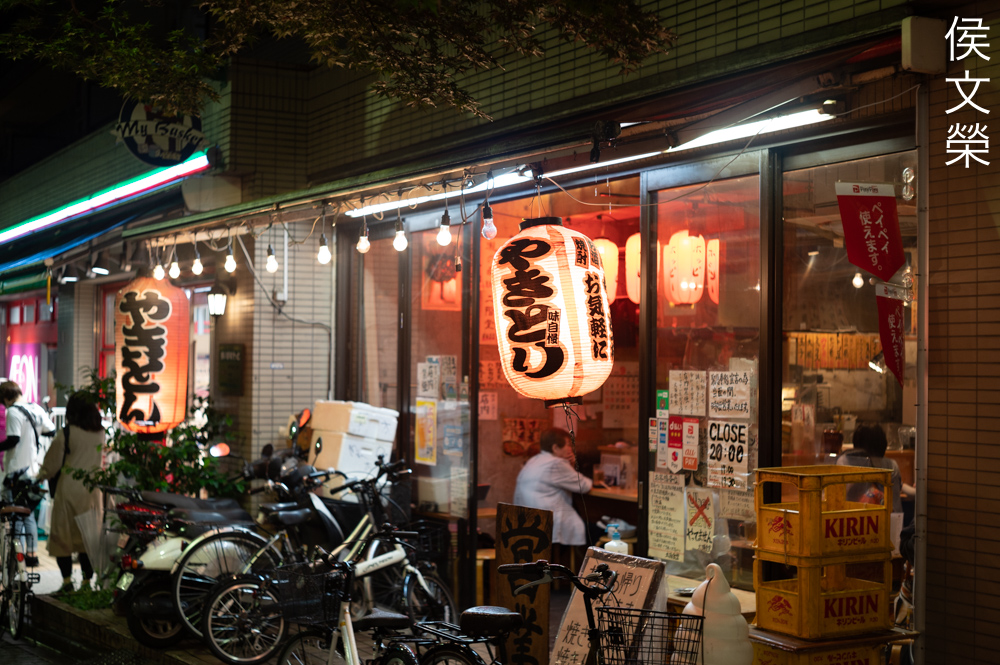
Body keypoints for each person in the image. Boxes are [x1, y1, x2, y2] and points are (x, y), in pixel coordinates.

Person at [37, 391, 105, 593]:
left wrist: (40, 475)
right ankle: (87, 583)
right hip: (92, 491)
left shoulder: (66, 433)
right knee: (87, 538)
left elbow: (51, 465)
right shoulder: (100, 433)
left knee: (63, 538)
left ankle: (67, 583)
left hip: (68, 490)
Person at [513, 429, 602, 546]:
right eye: (568, 445)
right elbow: (584, 486)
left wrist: (570, 465)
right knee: (600, 532)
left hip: (527, 521)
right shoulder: (556, 463)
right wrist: (570, 465)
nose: (570, 449)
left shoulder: (534, 460)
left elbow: (568, 480)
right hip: (548, 523)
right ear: (555, 448)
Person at [0, 380, 54, 567]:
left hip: (16, 472)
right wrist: (32, 437)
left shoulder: (13, 412)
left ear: (6, 398)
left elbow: (13, 440)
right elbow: (51, 431)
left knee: (15, 516)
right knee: (28, 513)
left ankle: (18, 557)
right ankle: (32, 555)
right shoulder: (37, 409)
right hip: (33, 471)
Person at [836, 423, 908, 513]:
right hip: (890, 519)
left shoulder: (846, 461)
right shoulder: (892, 465)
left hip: (853, 518)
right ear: (883, 444)